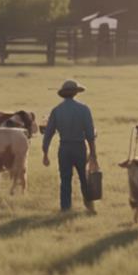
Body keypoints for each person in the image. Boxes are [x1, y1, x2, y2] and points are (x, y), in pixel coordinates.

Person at [42, 79, 99, 213]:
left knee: (65, 179)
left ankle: (65, 208)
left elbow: (48, 133)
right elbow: (90, 134)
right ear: (75, 93)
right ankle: (89, 207)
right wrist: (93, 153)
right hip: (79, 147)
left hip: (64, 148)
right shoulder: (84, 109)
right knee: (84, 178)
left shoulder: (56, 110)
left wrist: (45, 153)